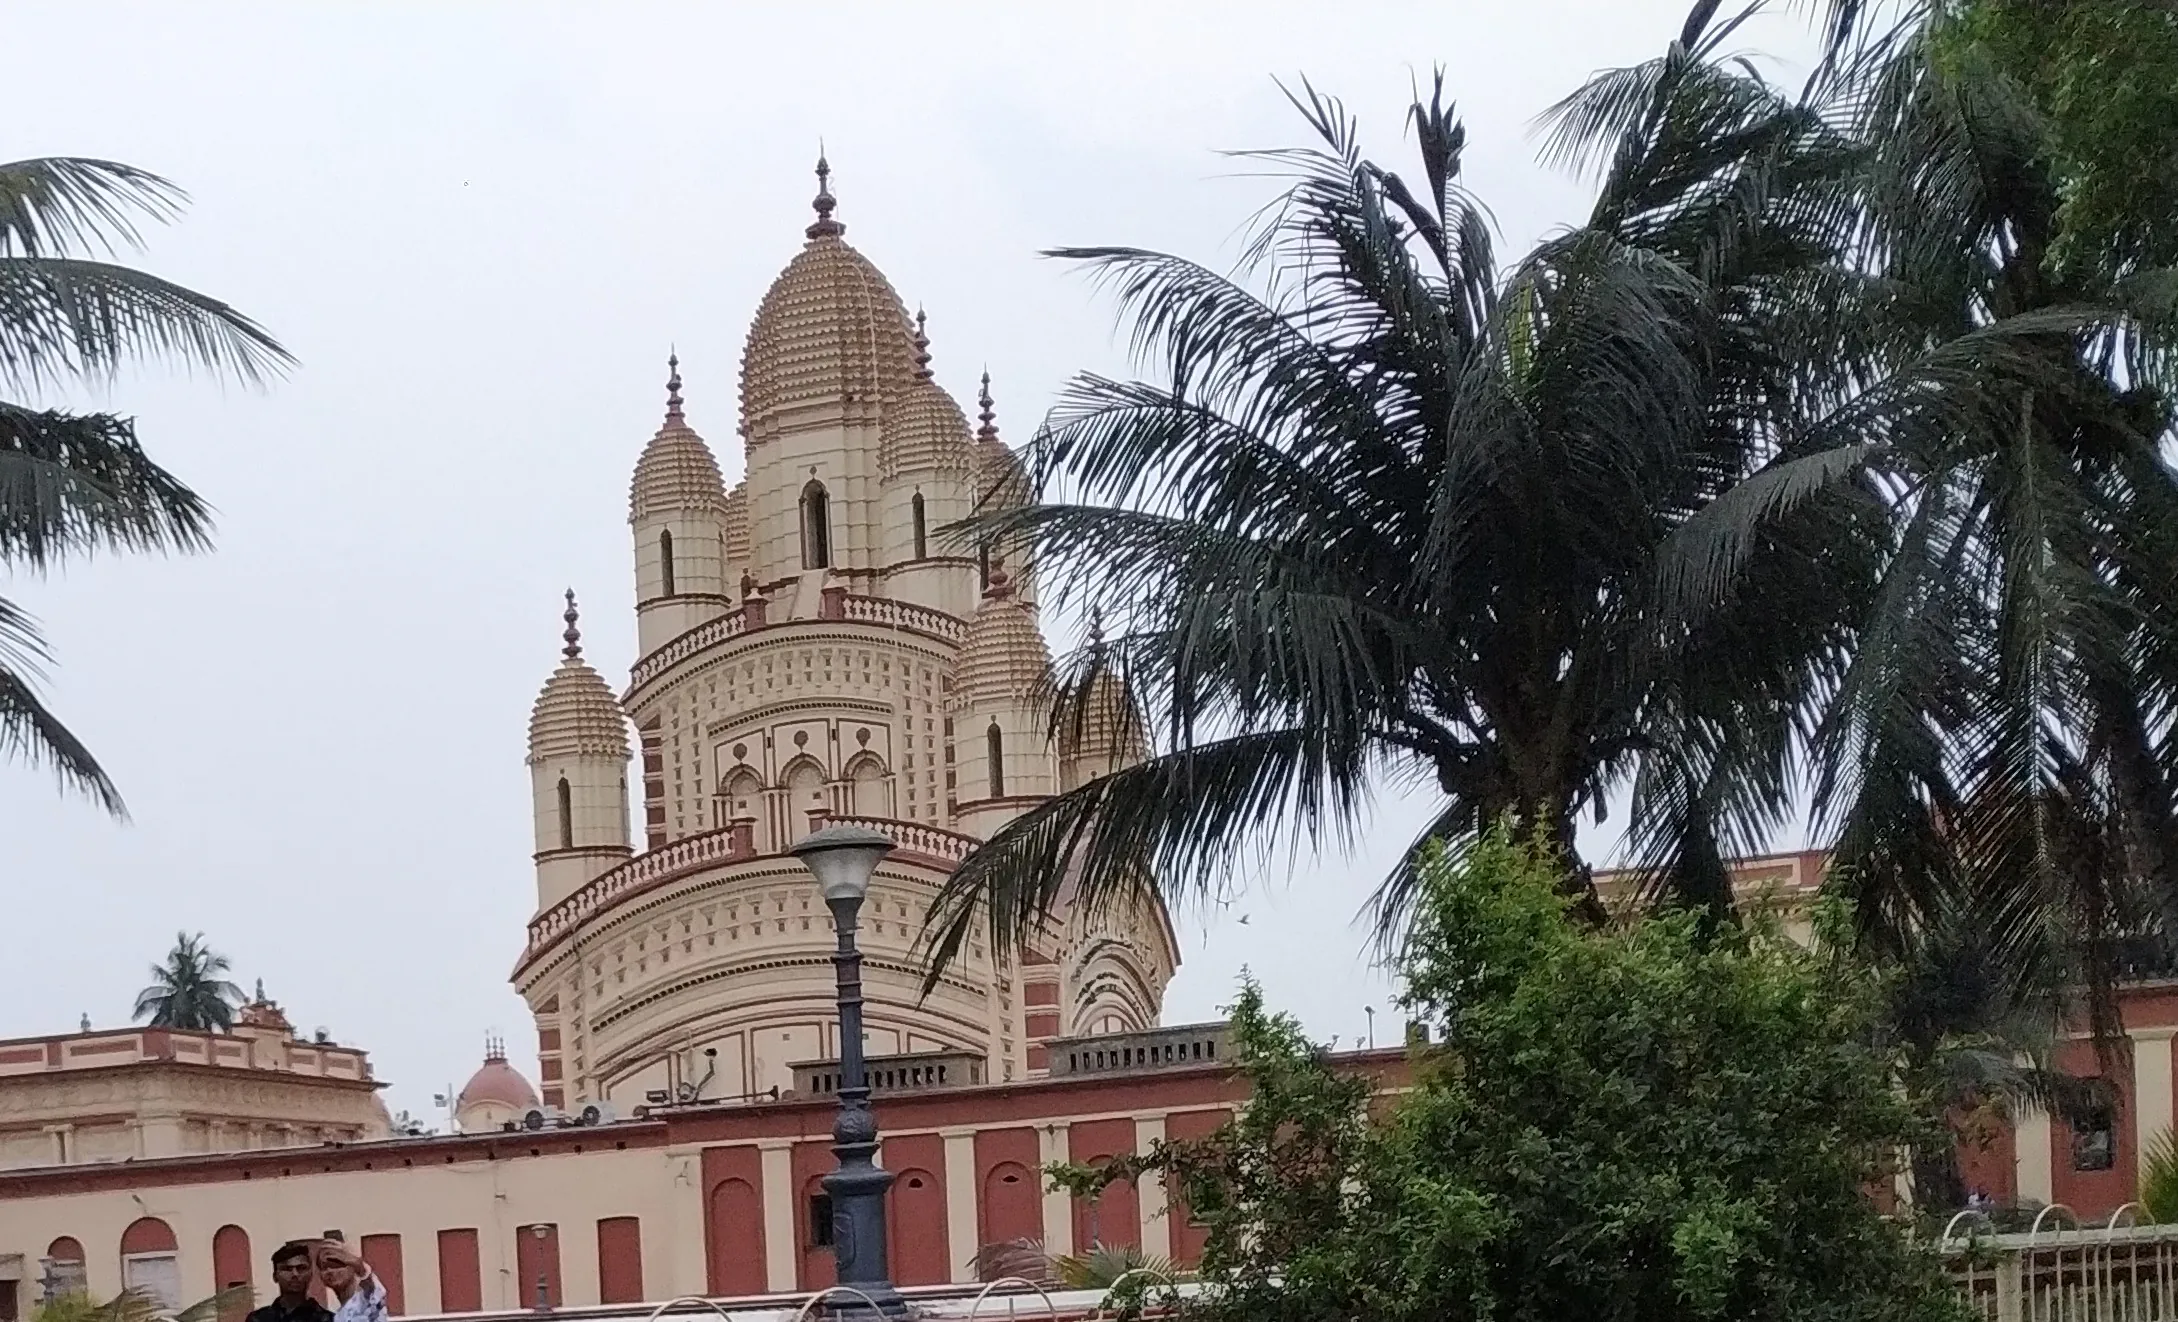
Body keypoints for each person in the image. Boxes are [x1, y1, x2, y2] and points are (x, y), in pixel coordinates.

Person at [244, 1243, 333, 1322]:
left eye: (301, 1268)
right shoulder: (258, 1319)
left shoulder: (327, 1319)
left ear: (311, 1274)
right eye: (287, 1269)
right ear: (275, 1276)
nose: (295, 1274)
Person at [312, 1240, 387, 1322]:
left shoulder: (365, 1299)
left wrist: (359, 1266)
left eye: (336, 1264)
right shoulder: (338, 1316)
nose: (329, 1270)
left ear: (353, 1265)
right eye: (324, 1267)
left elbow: (372, 1288)